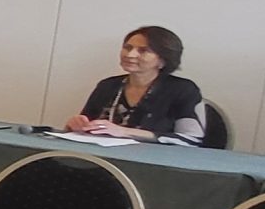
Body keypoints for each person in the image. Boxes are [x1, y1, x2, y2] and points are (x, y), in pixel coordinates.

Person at [65, 26, 206, 145]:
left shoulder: (183, 90)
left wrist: (124, 132)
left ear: (162, 60)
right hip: (104, 158)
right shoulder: (108, 86)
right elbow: (87, 126)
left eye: (143, 50)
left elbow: (191, 139)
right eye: (127, 48)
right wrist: (76, 125)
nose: (130, 54)